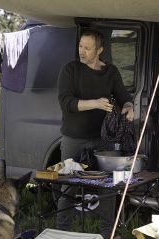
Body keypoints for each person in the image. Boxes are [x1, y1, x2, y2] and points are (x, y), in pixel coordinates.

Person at [57, 29, 134, 239]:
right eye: (80, 46)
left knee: (107, 187)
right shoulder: (70, 70)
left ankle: (107, 233)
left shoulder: (111, 72)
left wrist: (128, 107)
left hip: (103, 139)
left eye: (87, 48)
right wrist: (95, 103)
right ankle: (61, 232)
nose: (82, 51)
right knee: (68, 185)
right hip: (73, 137)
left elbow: (124, 96)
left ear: (100, 50)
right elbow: (66, 102)